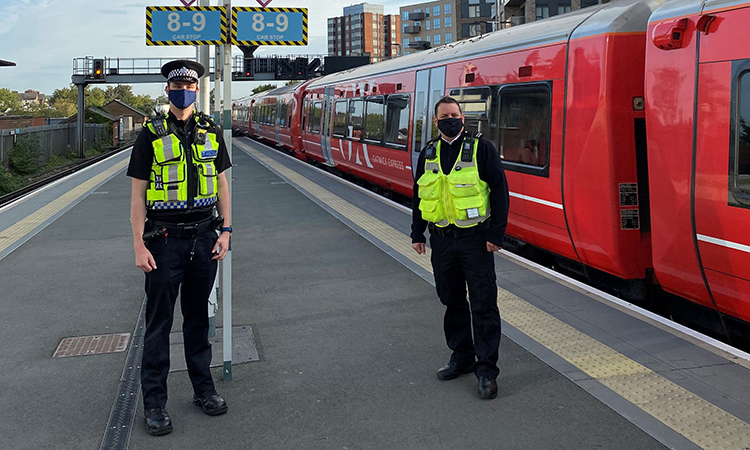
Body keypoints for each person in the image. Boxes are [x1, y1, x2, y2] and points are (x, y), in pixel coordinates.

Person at [127, 59, 232, 436]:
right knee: (158, 325)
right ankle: (154, 403)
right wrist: (139, 245)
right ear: (168, 90)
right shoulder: (150, 134)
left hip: (205, 238)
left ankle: (204, 390)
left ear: (198, 90)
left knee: (198, 321)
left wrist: (227, 230)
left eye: (190, 84)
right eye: (178, 85)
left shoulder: (211, 130)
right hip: (163, 240)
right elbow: (137, 197)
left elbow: (221, 184)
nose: (184, 90)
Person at [411, 96, 509, 400]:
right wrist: (417, 233)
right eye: (444, 116)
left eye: (455, 114)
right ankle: (461, 357)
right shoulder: (428, 152)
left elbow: (500, 192)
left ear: (462, 119)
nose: (450, 119)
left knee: (483, 304)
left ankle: (486, 372)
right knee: (451, 301)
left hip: (476, 242)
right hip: (441, 241)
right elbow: (418, 195)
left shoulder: (482, 149)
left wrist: (497, 234)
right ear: (436, 120)